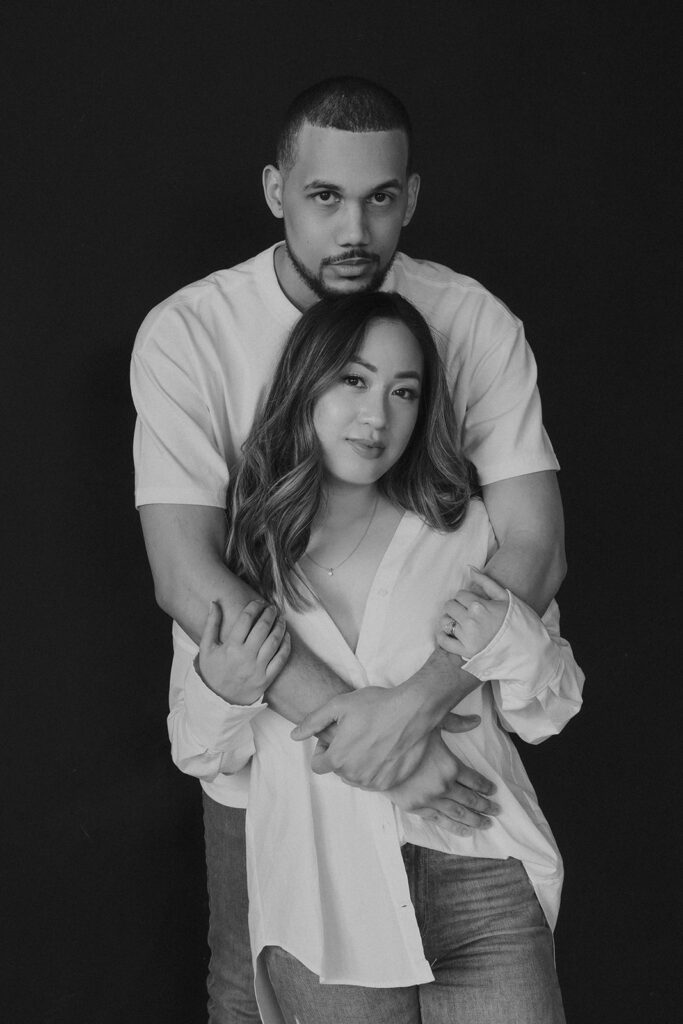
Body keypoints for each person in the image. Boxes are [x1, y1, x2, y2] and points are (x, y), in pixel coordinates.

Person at [131, 77, 566, 1021]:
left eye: (380, 198)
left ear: (409, 198)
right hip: (271, 766)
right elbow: (186, 570)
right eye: (325, 197)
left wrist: (412, 713)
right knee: (252, 998)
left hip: (452, 757)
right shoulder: (191, 334)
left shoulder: (473, 322)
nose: (355, 228)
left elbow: (532, 545)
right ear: (275, 190)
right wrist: (368, 741)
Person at [174, 292, 583, 1023]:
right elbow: (201, 751)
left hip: (481, 875)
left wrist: (503, 637)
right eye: (352, 381)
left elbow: (546, 711)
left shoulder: (466, 531)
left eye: (404, 392)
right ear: (305, 385)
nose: (377, 417)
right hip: (329, 906)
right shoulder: (241, 563)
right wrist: (226, 688)